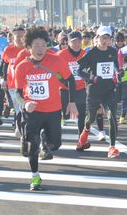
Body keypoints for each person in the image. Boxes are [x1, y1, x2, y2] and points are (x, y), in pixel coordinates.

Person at [14, 28, 78, 190]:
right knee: (32, 147)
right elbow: (18, 93)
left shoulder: (55, 61)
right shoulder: (22, 66)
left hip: (53, 110)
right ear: (29, 47)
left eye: (43, 45)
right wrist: (24, 104)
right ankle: (35, 177)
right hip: (32, 113)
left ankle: (46, 142)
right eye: (36, 45)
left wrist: (71, 102)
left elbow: (70, 80)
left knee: (55, 144)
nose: (40, 48)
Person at [76, 26, 120, 155]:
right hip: (94, 91)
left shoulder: (112, 51)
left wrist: (119, 71)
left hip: (109, 90)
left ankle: (112, 147)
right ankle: (86, 129)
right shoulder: (91, 53)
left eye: (108, 38)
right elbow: (79, 71)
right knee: (91, 118)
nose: (105, 41)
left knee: (112, 116)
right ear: (97, 38)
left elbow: (115, 64)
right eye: (103, 38)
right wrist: (92, 77)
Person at [57, 31, 89, 147]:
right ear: (68, 42)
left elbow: (90, 70)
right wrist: (63, 80)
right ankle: (50, 138)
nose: (76, 44)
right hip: (65, 89)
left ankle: (81, 141)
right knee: (63, 116)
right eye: (73, 42)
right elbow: (55, 72)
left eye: (79, 41)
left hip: (80, 89)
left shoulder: (85, 54)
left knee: (82, 116)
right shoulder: (60, 55)